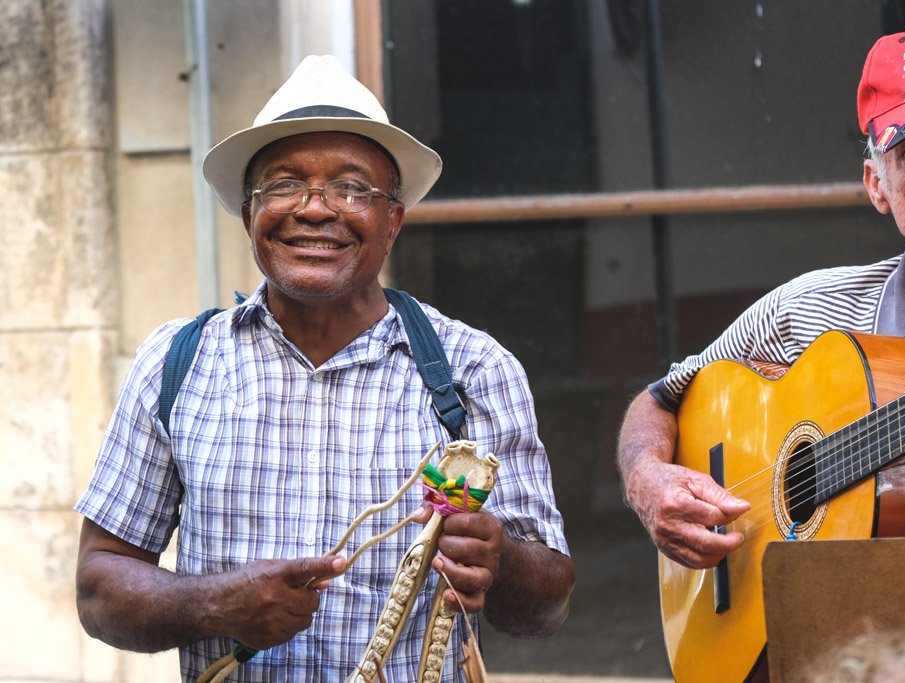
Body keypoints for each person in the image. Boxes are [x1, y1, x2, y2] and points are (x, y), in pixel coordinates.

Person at [74, 55, 575, 681]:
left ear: (392, 219)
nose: (315, 209)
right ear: (247, 213)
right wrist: (211, 602)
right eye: (284, 184)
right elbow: (98, 590)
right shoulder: (176, 364)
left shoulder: (473, 369)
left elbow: (549, 604)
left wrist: (500, 561)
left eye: (352, 187)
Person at [617, 21, 905, 570]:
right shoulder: (808, 308)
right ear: (876, 185)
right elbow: (662, 398)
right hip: (837, 649)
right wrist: (646, 478)